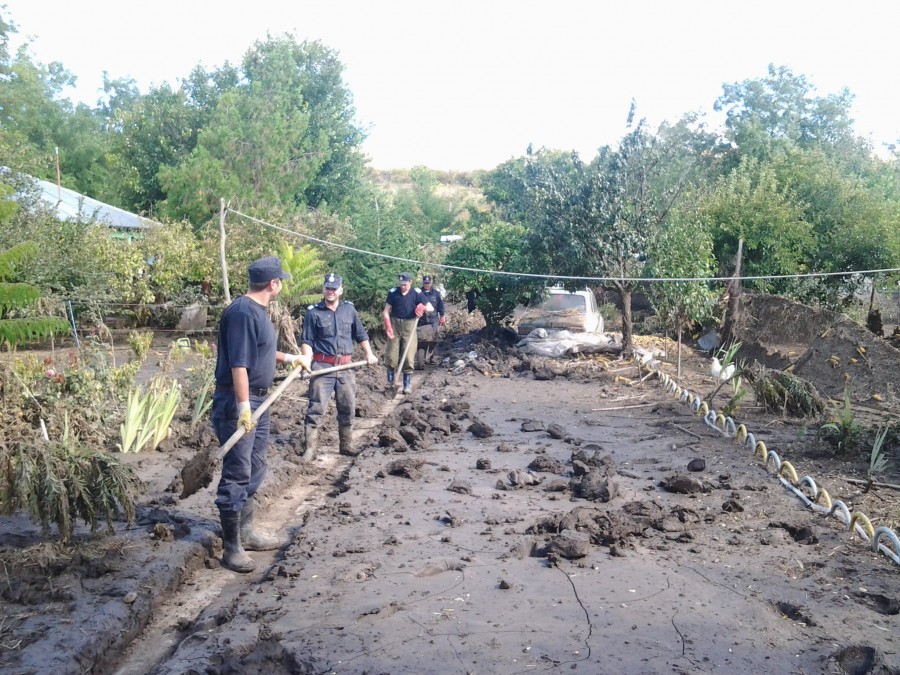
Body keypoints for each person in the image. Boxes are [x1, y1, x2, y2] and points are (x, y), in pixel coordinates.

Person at [211, 256, 312, 573]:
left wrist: (289, 358)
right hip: (239, 402)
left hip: (259, 400)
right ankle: (231, 548)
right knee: (238, 471)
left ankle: (246, 531)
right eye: (280, 279)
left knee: (255, 467)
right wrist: (243, 408)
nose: (281, 283)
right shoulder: (242, 313)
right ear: (274, 284)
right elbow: (238, 364)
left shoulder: (258, 312)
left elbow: (262, 352)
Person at [299, 272, 378, 461]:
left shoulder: (349, 310)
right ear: (323, 289)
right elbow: (307, 340)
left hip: (345, 367)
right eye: (328, 288)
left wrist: (369, 353)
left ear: (340, 290)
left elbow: (360, 334)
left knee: (347, 406)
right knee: (316, 408)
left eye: (334, 289)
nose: (330, 292)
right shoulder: (313, 312)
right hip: (322, 367)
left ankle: (346, 445)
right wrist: (305, 363)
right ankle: (310, 449)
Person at [382, 272, 433, 394]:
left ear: (410, 282)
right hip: (395, 324)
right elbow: (385, 311)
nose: (402, 287)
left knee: (409, 355)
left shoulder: (416, 294)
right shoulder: (393, 293)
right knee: (391, 355)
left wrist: (423, 308)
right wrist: (388, 325)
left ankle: (406, 385)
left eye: (405, 284)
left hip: (410, 325)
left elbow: (431, 308)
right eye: (401, 284)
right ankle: (390, 383)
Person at [416, 274, 446, 366]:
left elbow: (441, 306)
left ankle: (431, 356)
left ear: (431, 283)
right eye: (425, 283)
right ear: (423, 283)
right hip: (422, 320)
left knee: (434, 339)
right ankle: (420, 356)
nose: (426, 285)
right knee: (421, 339)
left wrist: (442, 315)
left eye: (428, 283)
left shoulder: (436, 294)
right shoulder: (419, 293)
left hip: (433, 320)